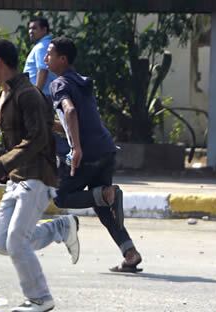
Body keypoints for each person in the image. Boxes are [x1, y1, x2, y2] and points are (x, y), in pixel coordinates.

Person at [0, 39, 79, 312]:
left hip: (38, 175)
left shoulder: (29, 95)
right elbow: (13, 143)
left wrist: (1, 162)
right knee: (3, 244)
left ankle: (40, 298)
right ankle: (59, 228)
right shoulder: (0, 97)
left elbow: (37, 138)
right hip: (16, 178)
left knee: (16, 242)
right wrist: (3, 169)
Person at [44, 36, 143, 273]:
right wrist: (51, 127)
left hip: (86, 154)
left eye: (50, 54)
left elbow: (70, 111)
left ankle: (106, 195)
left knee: (61, 197)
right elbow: (75, 121)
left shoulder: (58, 84)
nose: (46, 58)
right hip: (105, 150)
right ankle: (130, 253)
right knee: (102, 203)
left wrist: (76, 148)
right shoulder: (81, 81)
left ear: (62, 59)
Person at [23, 16, 56, 96]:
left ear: (44, 30)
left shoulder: (42, 46)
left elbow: (43, 70)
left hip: (42, 95)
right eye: (29, 28)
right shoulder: (45, 44)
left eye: (34, 28)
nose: (30, 31)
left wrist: (37, 95)